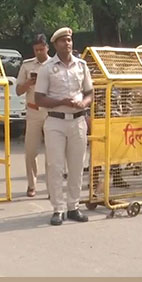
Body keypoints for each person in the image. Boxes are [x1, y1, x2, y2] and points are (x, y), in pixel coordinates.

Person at [35, 27, 93, 226]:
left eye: (69, 40)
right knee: (56, 165)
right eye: (62, 41)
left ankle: (73, 206)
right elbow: (39, 98)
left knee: (77, 165)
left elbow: (89, 93)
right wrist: (62, 102)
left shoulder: (81, 65)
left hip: (77, 120)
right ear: (55, 44)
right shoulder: (47, 68)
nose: (67, 44)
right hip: (55, 121)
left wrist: (83, 104)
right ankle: (58, 208)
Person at [16, 34, 51, 197]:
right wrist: (29, 83)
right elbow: (18, 91)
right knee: (30, 150)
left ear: (47, 48)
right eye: (36, 50)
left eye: (41, 49)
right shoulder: (27, 65)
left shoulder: (55, 65)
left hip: (51, 111)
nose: (39, 52)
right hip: (33, 110)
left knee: (52, 151)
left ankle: (52, 186)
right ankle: (32, 184)